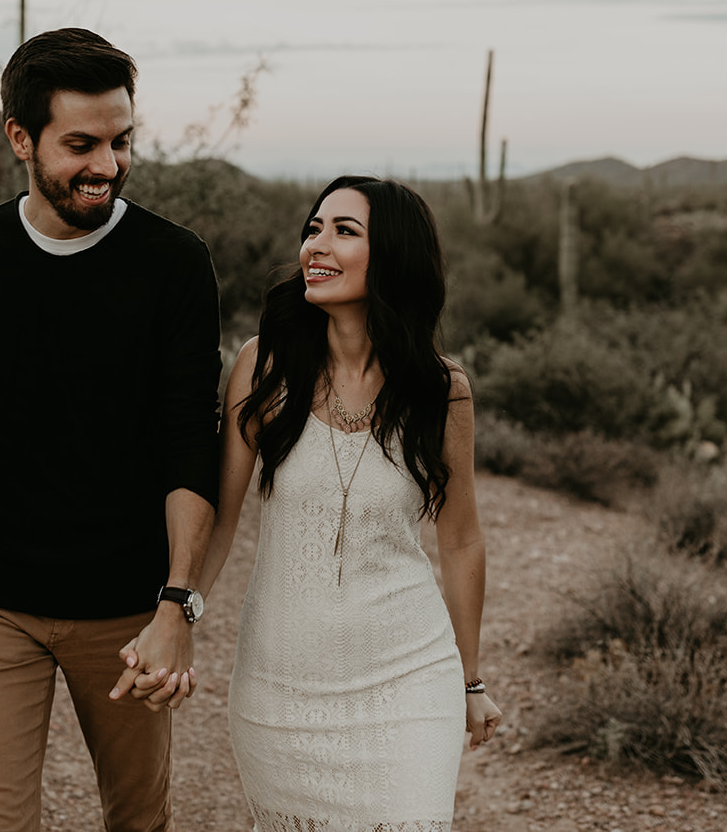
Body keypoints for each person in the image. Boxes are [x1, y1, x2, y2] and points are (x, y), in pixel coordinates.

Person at [0, 28, 222, 832]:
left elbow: (189, 443)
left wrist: (176, 606)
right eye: (81, 144)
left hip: (128, 611)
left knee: (139, 819)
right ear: (19, 139)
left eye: (121, 141)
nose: (106, 165)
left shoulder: (174, 262)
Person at [198, 175, 504, 831]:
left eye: (344, 230)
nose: (317, 243)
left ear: (391, 254)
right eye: (313, 227)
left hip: (408, 673)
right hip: (279, 686)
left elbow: (461, 538)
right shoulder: (264, 366)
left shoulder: (440, 387)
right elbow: (219, 520)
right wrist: (178, 613)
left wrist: (470, 679)